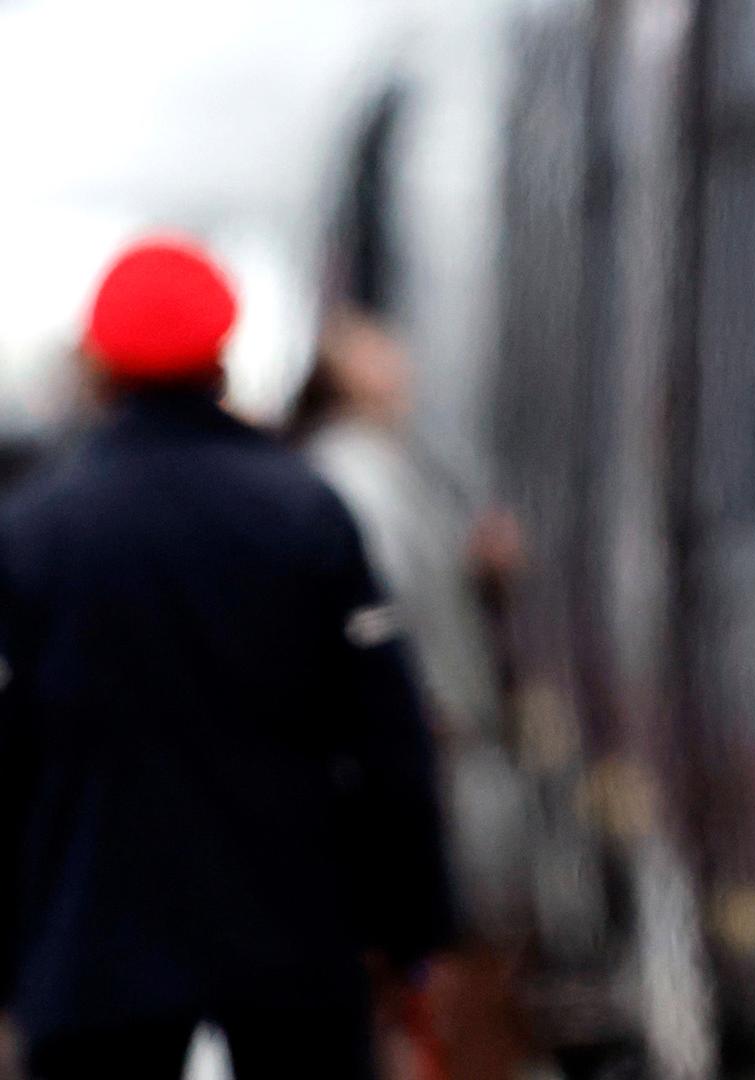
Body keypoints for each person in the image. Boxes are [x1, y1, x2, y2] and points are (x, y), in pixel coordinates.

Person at [0, 236, 453, 1079]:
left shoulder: (35, 533)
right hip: (293, 946)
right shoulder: (306, 513)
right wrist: (412, 931)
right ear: (222, 358)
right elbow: (391, 738)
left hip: (89, 948)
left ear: (100, 365)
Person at [287, 305, 533, 1080]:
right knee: (449, 979)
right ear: (340, 374)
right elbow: (381, 624)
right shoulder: (356, 472)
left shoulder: (386, 465)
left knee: (458, 978)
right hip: (436, 758)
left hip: (438, 757)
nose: (401, 361)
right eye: (373, 350)